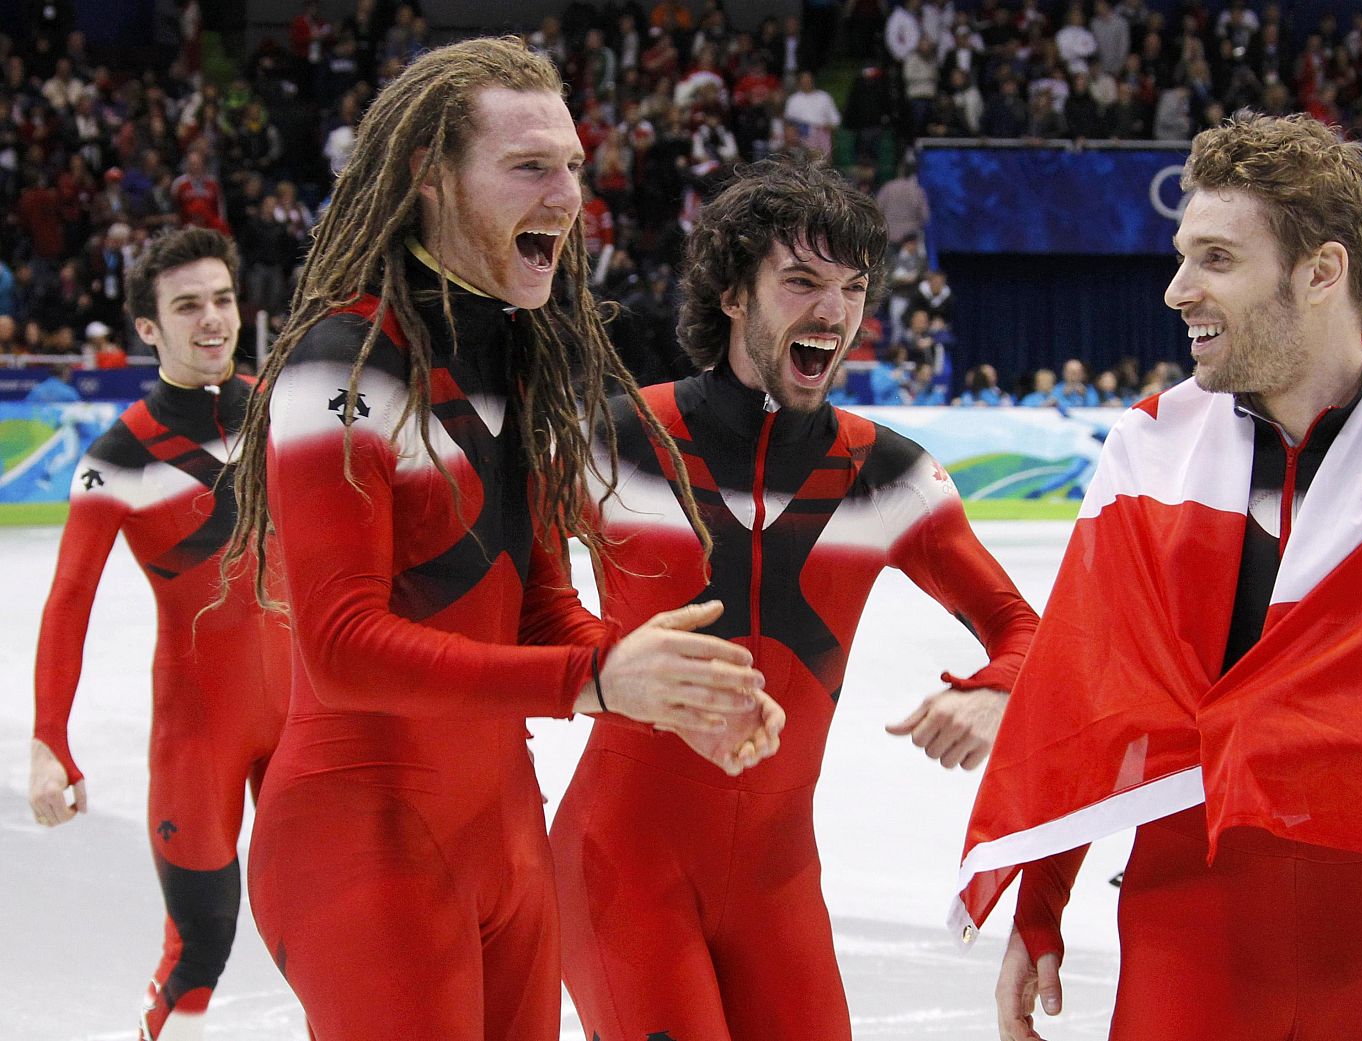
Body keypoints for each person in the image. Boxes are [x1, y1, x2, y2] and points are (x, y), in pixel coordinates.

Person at [954, 114, 1362, 1041]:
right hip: (1189, 938)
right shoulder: (1152, 452)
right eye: (1182, 256)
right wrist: (1040, 898)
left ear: (1321, 272)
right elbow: (1090, 696)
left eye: (1216, 258)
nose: (1178, 290)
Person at [219, 38, 781, 1040]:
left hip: (505, 836)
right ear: (428, 182)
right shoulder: (337, 365)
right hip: (362, 839)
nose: (569, 194)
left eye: (571, 164)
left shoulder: (516, 360)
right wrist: (596, 684)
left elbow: (534, 609)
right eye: (529, 167)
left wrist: (664, 689)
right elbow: (341, 649)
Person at [551, 153, 1040, 1041]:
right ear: (735, 293)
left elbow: (1024, 628)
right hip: (619, 866)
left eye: (852, 288)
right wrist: (612, 666)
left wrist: (999, 685)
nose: (833, 312)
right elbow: (503, 594)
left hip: (777, 882)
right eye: (802, 281)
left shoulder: (889, 476)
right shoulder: (617, 439)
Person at [29, 228, 291, 1041]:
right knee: (199, 952)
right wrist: (48, 738)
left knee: (336, 934)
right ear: (148, 328)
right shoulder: (118, 455)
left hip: (307, 722)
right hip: (198, 733)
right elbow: (69, 597)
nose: (212, 320)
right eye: (187, 306)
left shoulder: (287, 407)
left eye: (221, 300)